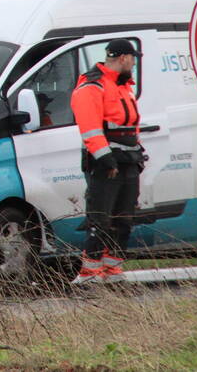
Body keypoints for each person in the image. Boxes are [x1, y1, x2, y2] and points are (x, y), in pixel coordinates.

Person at [70, 38, 145, 285]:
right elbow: (90, 130)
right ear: (123, 58)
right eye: (133, 59)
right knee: (100, 219)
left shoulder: (123, 86)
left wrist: (138, 154)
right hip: (106, 164)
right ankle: (90, 273)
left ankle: (113, 271)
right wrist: (107, 160)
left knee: (124, 219)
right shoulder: (93, 87)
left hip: (128, 160)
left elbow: (130, 125)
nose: (134, 64)